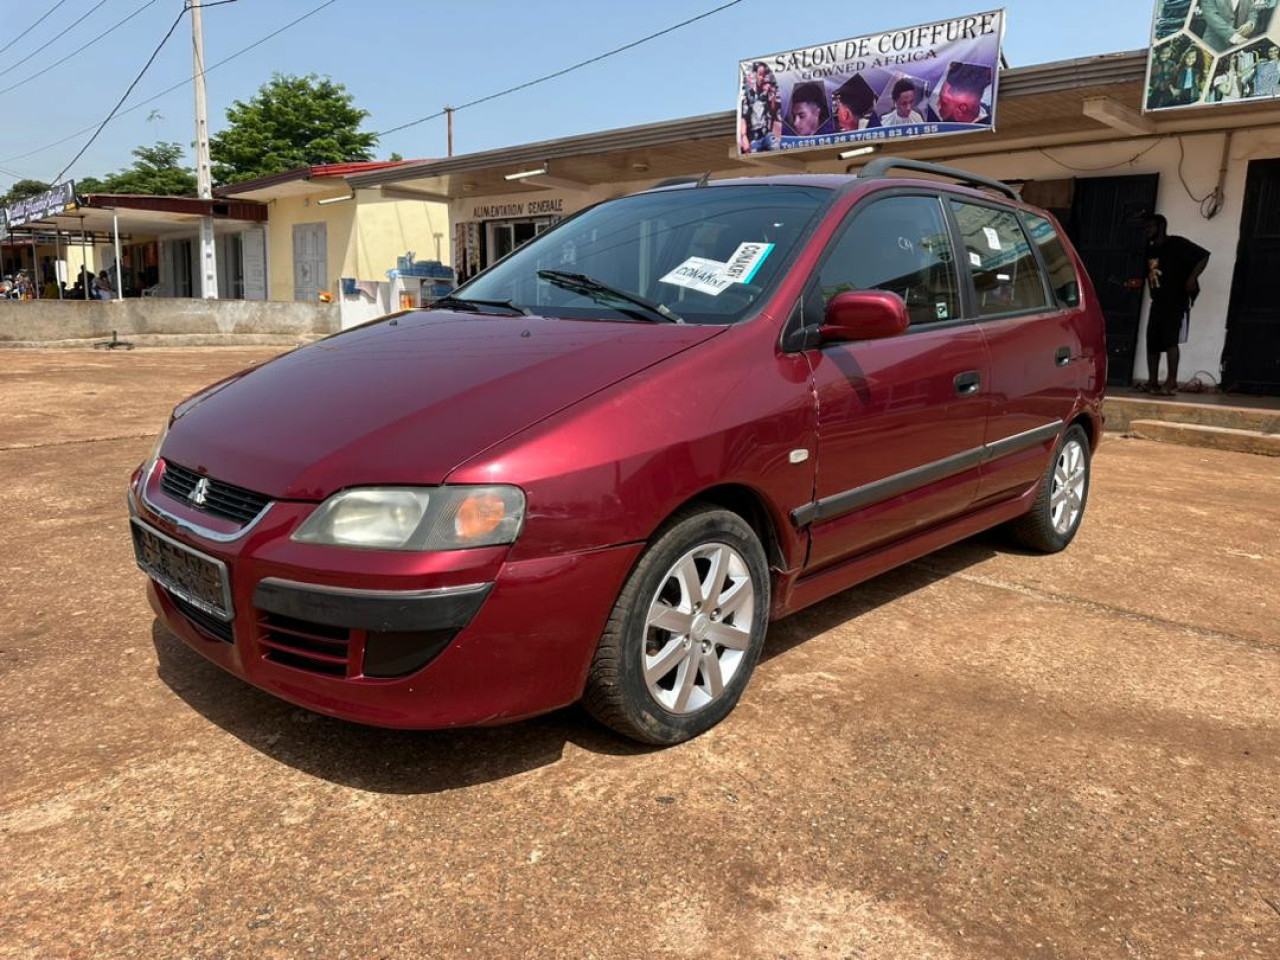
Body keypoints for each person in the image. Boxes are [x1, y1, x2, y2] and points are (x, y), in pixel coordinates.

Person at [1135, 215, 1210, 395]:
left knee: (1170, 341)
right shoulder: (1150, 250)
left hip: (1176, 300)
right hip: (1158, 301)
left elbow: (1204, 256)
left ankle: (1171, 382)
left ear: (1161, 226)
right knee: (1152, 340)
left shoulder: (1177, 244)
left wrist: (1192, 278)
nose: (1146, 231)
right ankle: (1152, 382)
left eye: (1149, 227)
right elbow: (1147, 274)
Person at [1196, 0, 1260, 53]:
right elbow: (1212, 17)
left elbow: (1253, 11)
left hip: (1239, 49)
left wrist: (1250, 24)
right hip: (1214, 47)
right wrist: (1235, 37)